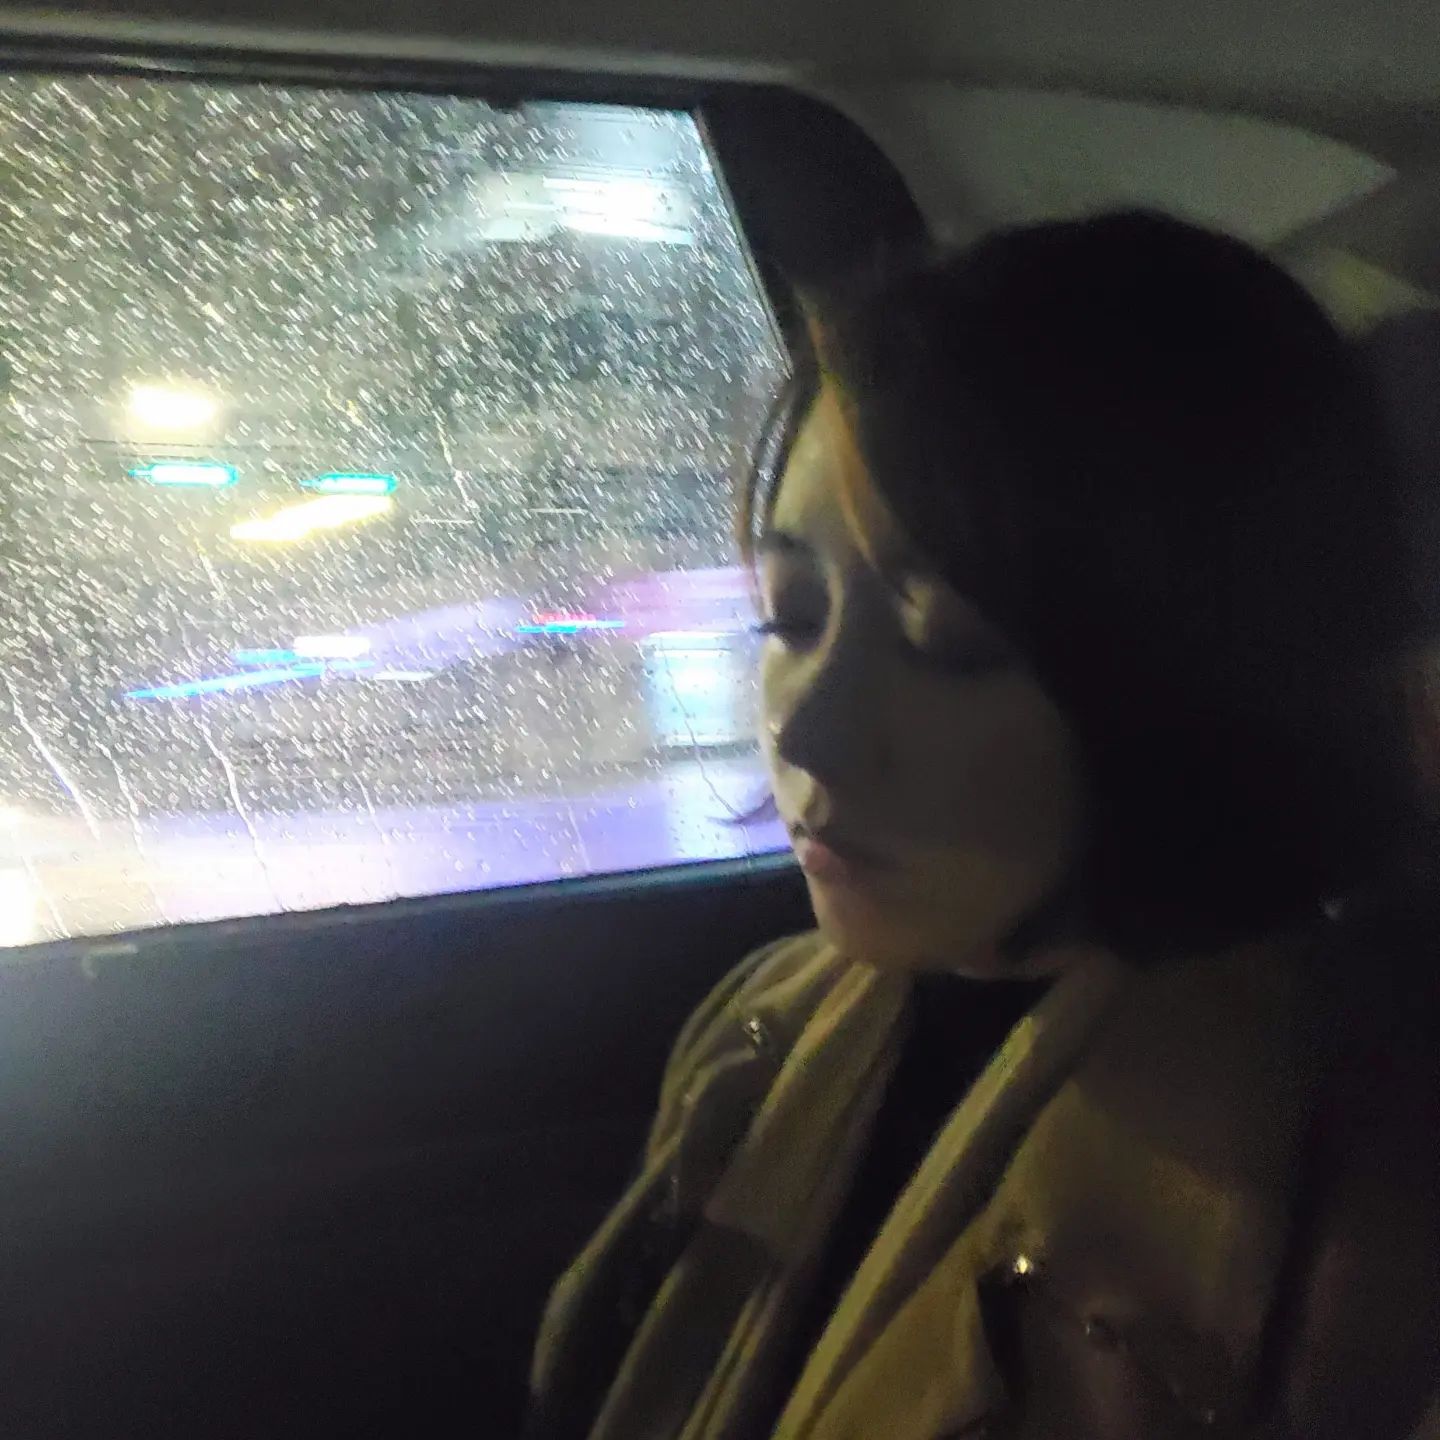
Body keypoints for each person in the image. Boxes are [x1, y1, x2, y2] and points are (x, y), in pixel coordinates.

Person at [526, 212, 1440, 1440]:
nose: (808, 732)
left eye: (947, 643)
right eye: (791, 615)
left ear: (1198, 672)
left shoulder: (1350, 1194)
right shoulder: (771, 1022)